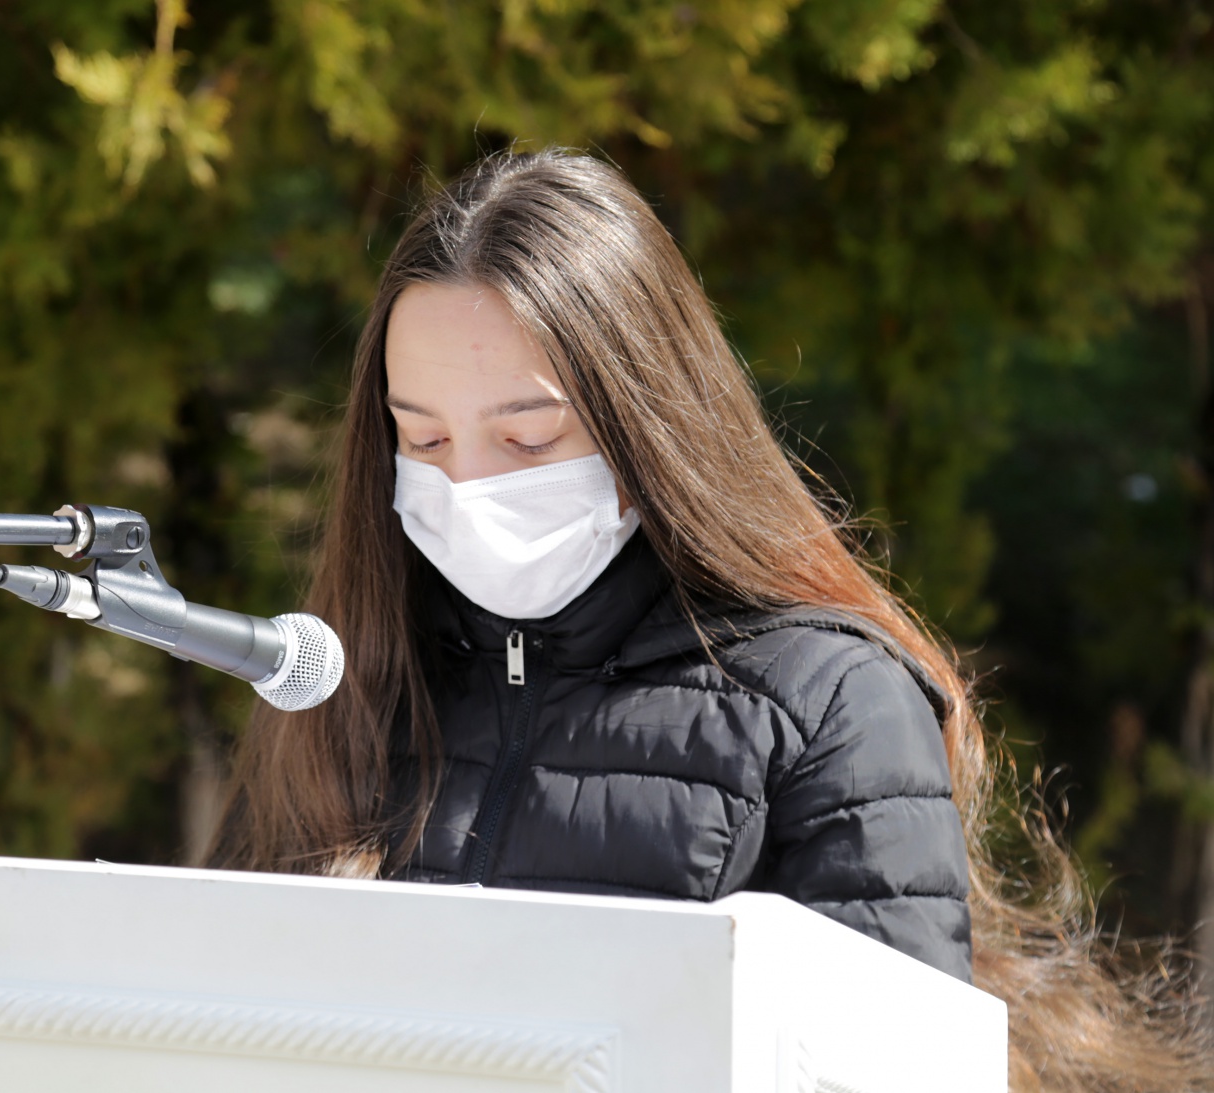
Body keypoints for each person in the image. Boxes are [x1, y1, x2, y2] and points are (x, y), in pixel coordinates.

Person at [210, 150, 1212, 1090]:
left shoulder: (829, 704)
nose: (464, 486)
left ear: (645, 421)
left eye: (526, 438)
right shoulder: (339, 680)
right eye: (419, 437)